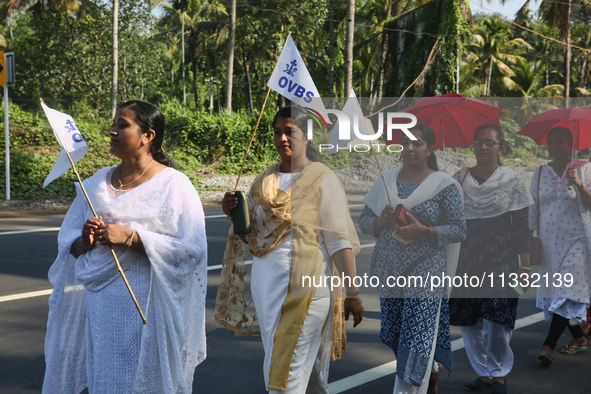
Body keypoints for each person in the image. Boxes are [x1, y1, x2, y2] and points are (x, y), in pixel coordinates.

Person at [42, 100, 207, 394]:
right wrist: (85, 239)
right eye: (114, 125)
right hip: (100, 306)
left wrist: (131, 238)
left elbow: (190, 249)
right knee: (104, 377)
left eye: (123, 125)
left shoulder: (174, 185)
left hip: (147, 307)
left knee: (144, 379)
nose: (112, 131)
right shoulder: (95, 184)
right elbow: (71, 246)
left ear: (148, 136)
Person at [216, 106, 364, 394]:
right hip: (267, 287)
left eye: (290, 132)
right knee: (298, 373)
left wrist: (353, 293)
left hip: (306, 289)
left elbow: (338, 242)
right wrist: (232, 212)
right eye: (277, 132)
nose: (282, 138)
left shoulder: (323, 179)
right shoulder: (264, 182)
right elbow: (253, 238)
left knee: (282, 377)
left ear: (306, 137)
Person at [358, 124, 467, 394]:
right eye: (405, 143)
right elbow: (363, 222)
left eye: (417, 143)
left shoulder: (443, 185)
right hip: (390, 268)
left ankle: (407, 388)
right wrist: (380, 221)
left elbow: (459, 229)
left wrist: (425, 231)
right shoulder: (386, 180)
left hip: (427, 268)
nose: (409, 148)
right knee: (396, 333)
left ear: (430, 149)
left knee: (416, 336)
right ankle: (429, 370)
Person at [449, 124, 533, 394]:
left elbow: (522, 226)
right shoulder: (459, 179)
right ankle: (484, 373)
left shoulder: (511, 180)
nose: (483, 146)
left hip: (502, 257)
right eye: (479, 141)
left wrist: (525, 264)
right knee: (471, 320)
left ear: (501, 148)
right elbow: (442, 213)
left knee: (496, 316)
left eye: (489, 142)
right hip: (466, 257)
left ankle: (498, 375)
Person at [531, 127, 591, 365]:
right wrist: (529, 240)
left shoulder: (585, 168)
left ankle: (548, 346)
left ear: (570, 144)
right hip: (547, 243)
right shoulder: (539, 172)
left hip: (577, 240)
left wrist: (578, 183)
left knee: (566, 291)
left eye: (560, 142)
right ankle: (578, 338)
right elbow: (533, 207)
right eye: (551, 143)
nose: (555, 147)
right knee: (561, 294)